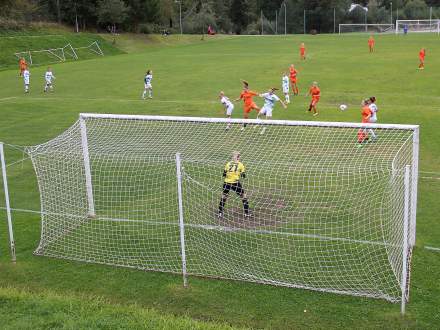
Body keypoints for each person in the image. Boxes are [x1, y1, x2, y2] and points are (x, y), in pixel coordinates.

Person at [218, 151, 250, 218]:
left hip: (226, 183)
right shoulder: (241, 164)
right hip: (235, 183)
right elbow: (243, 175)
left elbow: (224, 174)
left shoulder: (228, 164)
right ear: (238, 157)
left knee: (224, 197)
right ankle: (246, 213)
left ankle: (220, 213)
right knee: (243, 196)